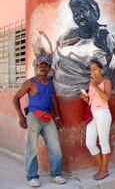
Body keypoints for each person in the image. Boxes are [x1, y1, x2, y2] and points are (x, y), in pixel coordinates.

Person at [52, 0, 115, 98]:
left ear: (94, 11)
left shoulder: (107, 37)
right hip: (62, 97)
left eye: (84, 10)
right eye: (76, 13)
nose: (81, 16)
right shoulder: (68, 35)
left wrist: (111, 82)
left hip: (90, 96)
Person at [12, 55, 66, 187]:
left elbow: (53, 101)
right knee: (32, 147)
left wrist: (57, 117)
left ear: (49, 68)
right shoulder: (30, 82)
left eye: (46, 65)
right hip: (33, 116)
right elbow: (16, 98)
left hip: (48, 117)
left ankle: (56, 174)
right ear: (37, 67)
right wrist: (21, 117)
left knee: (55, 147)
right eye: (41, 65)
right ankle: (32, 177)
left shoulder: (50, 83)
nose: (43, 67)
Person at [80, 59, 113, 180]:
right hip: (93, 114)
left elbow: (106, 98)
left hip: (103, 113)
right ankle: (103, 168)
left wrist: (95, 86)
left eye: (95, 69)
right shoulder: (91, 83)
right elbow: (92, 100)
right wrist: (85, 98)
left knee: (103, 142)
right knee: (90, 143)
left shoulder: (106, 81)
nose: (92, 71)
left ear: (101, 70)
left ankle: (103, 171)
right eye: (91, 69)